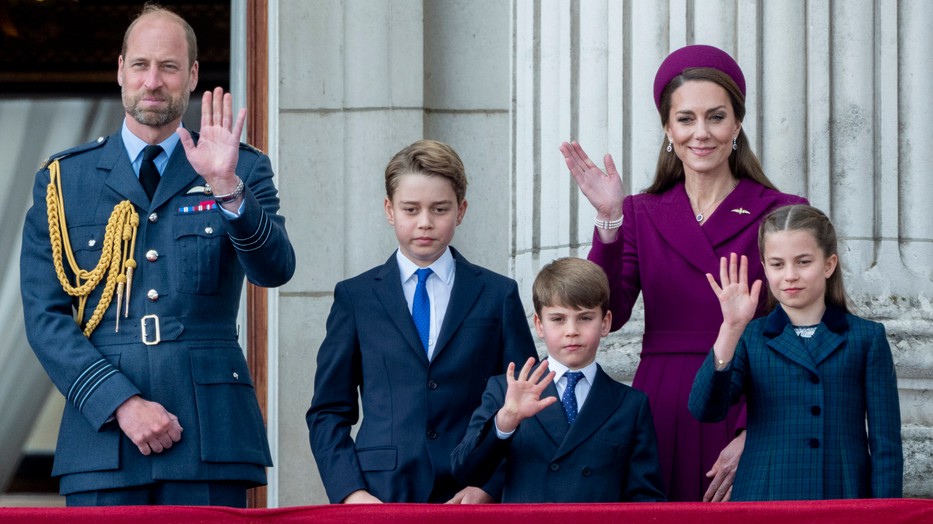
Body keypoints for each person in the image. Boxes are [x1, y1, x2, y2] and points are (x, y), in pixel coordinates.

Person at [19, 4, 295, 507]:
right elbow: (44, 318)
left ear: (192, 75)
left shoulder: (241, 168)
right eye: (141, 65)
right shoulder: (64, 180)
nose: (152, 81)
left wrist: (226, 186)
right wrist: (120, 403)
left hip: (210, 434)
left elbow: (275, 270)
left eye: (169, 66)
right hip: (103, 439)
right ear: (120, 69)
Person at [559, 44, 808, 501]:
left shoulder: (781, 212)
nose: (701, 133)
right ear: (668, 129)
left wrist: (754, 429)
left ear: (737, 124)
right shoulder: (639, 212)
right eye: (686, 119)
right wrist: (610, 220)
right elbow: (609, 311)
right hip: (663, 401)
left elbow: (798, 333)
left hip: (749, 397)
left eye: (716, 117)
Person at [306, 139, 538, 504]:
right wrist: (351, 493)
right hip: (380, 495)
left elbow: (527, 401)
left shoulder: (498, 295)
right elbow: (327, 412)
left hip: (469, 492)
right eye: (411, 209)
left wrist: (489, 486)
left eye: (440, 209)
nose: (425, 222)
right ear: (389, 209)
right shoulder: (356, 297)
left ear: (460, 211)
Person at [689, 205, 903, 500]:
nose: (790, 275)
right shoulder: (750, 336)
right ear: (765, 268)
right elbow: (705, 409)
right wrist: (730, 328)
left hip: (841, 495)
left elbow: (886, 445)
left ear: (828, 265)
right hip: (766, 495)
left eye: (803, 262)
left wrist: (885, 515)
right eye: (777, 264)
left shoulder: (866, 337)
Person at [451, 257, 666, 502]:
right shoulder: (504, 390)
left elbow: (646, 499)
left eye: (585, 318)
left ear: (605, 322)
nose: (572, 331)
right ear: (539, 325)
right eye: (558, 319)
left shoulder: (630, 404)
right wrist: (506, 420)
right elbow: (465, 470)